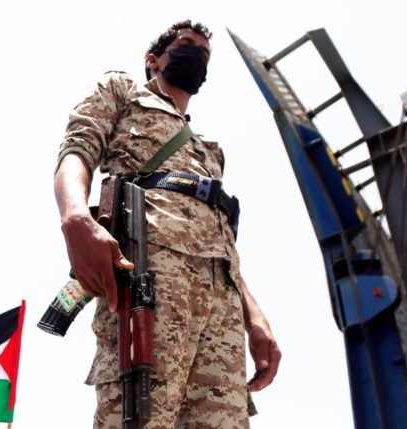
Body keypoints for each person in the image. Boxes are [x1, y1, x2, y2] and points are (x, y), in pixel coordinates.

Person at [54, 20, 280, 428]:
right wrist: (73, 216)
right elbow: (77, 148)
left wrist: (255, 317)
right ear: (153, 60)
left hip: (221, 304)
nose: (196, 54)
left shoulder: (209, 152)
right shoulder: (123, 91)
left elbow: (223, 239)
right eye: (186, 45)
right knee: (142, 416)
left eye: (204, 53)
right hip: (150, 275)